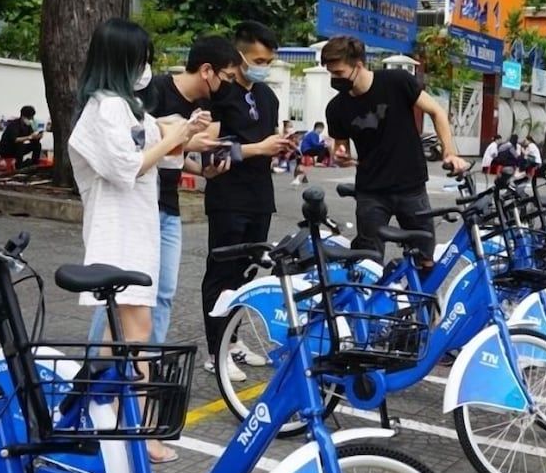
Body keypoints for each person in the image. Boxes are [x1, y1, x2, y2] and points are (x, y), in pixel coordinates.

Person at [68, 18, 192, 464]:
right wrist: (172, 137)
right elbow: (127, 166)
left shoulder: (126, 108)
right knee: (134, 335)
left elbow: (158, 141)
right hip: (115, 236)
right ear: (122, 60)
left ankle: (88, 410)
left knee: (123, 337)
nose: (147, 67)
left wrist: (183, 130)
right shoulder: (101, 111)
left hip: (137, 232)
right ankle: (136, 431)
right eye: (142, 58)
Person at [87, 35, 240, 350]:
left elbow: (171, 158)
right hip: (138, 205)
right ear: (207, 71)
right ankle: (96, 369)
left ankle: (147, 368)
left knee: (163, 293)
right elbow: (136, 151)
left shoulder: (206, 105)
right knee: (119, 294)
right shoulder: (150, 91)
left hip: (168, 207)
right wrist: (178, 136)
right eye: (226, 77)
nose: (229, 85)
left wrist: (202, 169)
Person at [199, 21, 295, 379]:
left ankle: (233, 340)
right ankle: (216, 351)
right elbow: (209, 152)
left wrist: (282, 146)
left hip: (259, 197)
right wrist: (257, 148)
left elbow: (266, 142)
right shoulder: (219, 95)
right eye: (258, 59)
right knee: (221, 273)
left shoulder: (268, 96)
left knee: (245, 275)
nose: (263, 66)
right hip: (228, 197)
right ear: (238, 56)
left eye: (269, 60)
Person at [322, 34, 468, 259]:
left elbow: (436, 111)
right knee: (367, 261)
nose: (334, 79)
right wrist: (340, 155)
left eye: (338, 73)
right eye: (330, 73)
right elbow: (342, 149)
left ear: (358, 65)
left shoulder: (397, 82)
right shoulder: (335, 108)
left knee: (424, 257)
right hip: (371, 193)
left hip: (412, 188)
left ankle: (416, 295)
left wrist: (450, 152)